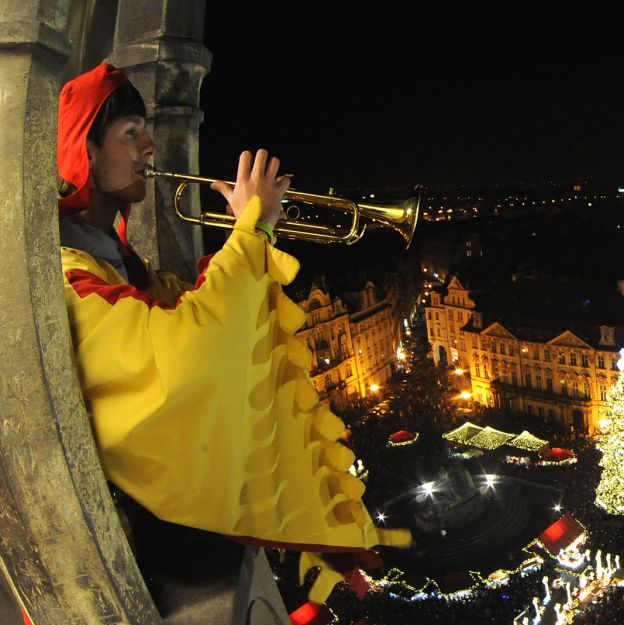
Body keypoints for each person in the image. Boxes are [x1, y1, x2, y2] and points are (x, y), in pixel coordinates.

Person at [57, 63, 409, 604]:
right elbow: (188, 347)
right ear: (84, 149)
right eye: (130, 132)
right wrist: (254, 229)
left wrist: (250, 236)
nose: (150, 146)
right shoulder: (71, 271)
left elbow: (197, 302)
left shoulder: (116, 260)